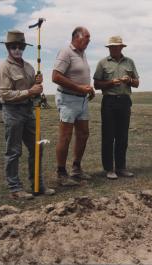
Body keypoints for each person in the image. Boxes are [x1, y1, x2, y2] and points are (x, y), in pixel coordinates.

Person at [0, 30, 55, 199]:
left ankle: (38, 184)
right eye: (13, 47)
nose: (17, 50)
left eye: (20, 47)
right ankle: (15, 189)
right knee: (14, 151)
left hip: (28, 111)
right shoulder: (4, 68)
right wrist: (30, 91)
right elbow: (5, 95)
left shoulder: (29, 66)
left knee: (37, 146)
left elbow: (35, 92)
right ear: (8, 48)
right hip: (12, 112)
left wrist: (38, 85)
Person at [52, 26, 95, 186]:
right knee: (66, 136)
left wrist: (88, 90)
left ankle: (76, 169)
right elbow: (55, 76)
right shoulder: (66, 52)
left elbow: (80, 77)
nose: (89, 41)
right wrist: (79, 88)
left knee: (83, 133)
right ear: (77, 37)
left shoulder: (82, 54)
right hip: (68, 99)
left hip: (82, 100)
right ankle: (61, 173)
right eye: (87, 37)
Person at [93, 35, 139, 179]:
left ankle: (121, 167)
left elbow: (137, 83)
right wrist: (110, 83)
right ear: (109, 48)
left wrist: (129, 80)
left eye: (116, 47)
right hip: (109, 102)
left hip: (125, 101)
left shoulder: (129, 62)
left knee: (122, 136)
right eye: (111, 47)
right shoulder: (102, 63)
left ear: (121, 47)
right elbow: (96, 84)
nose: (113, 49)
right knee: (108, 136)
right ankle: (109, 169)